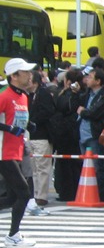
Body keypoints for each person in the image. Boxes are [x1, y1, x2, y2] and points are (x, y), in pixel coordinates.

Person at [0, 59, 39, 246]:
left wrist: (28, 125)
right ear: (14, 76)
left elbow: (17, 119)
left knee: (11, 197)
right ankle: (13, 236)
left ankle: (13, 236)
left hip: (16, 151)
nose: (30, 75)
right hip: (3, 153)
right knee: (24, 193)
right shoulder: (4, 96)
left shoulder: (23, 96)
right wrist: (9, 128)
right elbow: (9, 124)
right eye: (25, 72)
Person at [76, 66, 104, 203]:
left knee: (97, 167)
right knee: (86, 166)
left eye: (90, 77)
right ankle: (87, 193)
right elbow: (78, 106)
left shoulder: (103, 97)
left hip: (94, 135)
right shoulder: (87, 94)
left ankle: (100, 195)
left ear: (98, 81)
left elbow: (93, 113)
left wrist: (83, 112)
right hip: (83, 134)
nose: (87, 79)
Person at [26, 70, 56, 215]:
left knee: (42, 167)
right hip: (29, 135)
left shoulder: (43, 93)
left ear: (35, 81)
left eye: (29, 78)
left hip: (42, 135)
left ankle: (41, 196)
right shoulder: (27, 94)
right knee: (32, 168)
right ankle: (34, 194)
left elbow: (48, 111)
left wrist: (32, 120)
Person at [51, 70, 83, 201]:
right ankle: (70, 191)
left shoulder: (69, 95)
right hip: (72, 132)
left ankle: (67, 192)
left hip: (66, 132)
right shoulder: (81, 93)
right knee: (72, 163)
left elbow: (65, 107)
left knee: (66, 164)